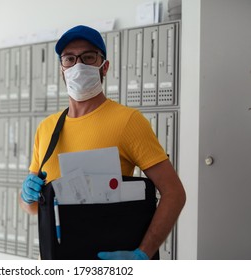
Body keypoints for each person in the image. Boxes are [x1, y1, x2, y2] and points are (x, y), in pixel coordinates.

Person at [19, 25, 186, 260]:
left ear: (104, 66)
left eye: (88, 57)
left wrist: (143, 254)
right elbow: (34, 208)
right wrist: (26, 197)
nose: (78, 65)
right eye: (69, 58)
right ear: (62, 69)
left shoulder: (128, 121)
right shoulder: (47, 128)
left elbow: (174, 192)